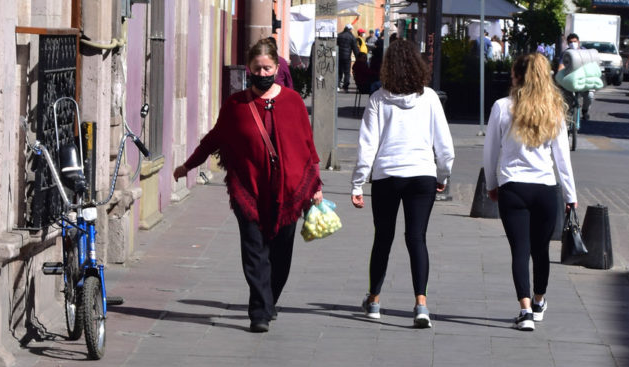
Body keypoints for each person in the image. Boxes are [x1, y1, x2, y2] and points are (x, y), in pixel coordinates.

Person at [173, 38, 323, 333]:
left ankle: (270, 300)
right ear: (249, 70)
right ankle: (259, 311)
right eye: (257, 68)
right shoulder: (236, 104)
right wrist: (188, 165)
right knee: (254, 250)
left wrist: (315, 184)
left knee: (280, 254)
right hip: (249, 190)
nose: (263, 73)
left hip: (290, 191)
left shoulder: (292, 102)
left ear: (277, 67)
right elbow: (214, 138)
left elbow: (308, 146)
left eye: (268, 68)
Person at [351, 39, 455, 328]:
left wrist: (358, 183)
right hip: (422, 175)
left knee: (383, 237)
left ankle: (374, 300)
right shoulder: (430, 98)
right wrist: (442, 175)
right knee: (416, 238)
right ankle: (421, 304)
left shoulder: (378, 100)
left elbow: (367, 146)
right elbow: (445, 146)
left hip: (387, 175)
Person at [482, 53, 577, 331]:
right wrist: (570, 195)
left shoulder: (502, 107)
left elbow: (491, 152)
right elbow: (562, 158)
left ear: (517, 76)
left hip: (513, 187)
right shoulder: (554, 109)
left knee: (519, 250)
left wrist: (491, 184)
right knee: (541, 249)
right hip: (546, 188)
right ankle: (538, 301)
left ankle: (524, 310)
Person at [562, 33, 594, 120]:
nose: (573, 43)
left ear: (578, 42)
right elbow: (561, 66)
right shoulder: (565, 53)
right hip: (570, 81)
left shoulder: (585, 52)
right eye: (571, 42)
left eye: (575, 41)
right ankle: (567, 117)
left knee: (590, 95)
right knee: (563, 98)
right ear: (568, 43)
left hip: (583, 81)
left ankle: (585, 110)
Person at [337, 24, 358, 92]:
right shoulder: (352, 37)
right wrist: (358, 57)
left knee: (339, 72)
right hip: (347, 57)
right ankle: (345, 87)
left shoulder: (339, 35)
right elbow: (355, 48)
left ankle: (337, 85)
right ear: (350, 29)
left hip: (339, 56)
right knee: (347, 73)